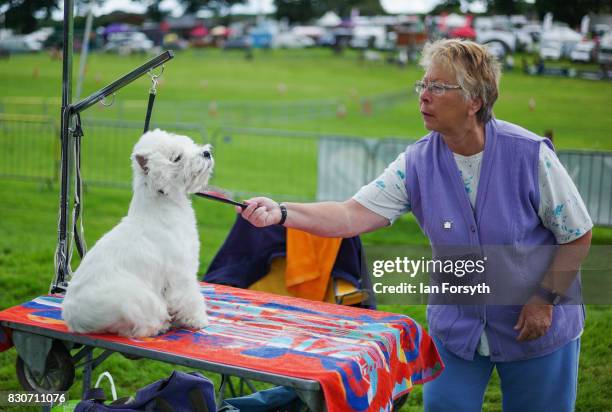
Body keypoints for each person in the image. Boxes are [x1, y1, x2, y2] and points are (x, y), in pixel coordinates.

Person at [236, 39, 592, 411]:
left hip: (537, 323)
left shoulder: (530, 155)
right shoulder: (418, 161)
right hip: (458, 328)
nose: (424, 95)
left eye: (438, 87)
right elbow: (349, 215)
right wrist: (281, 211)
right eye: (423, 84)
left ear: (475, 101)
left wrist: (544, 300)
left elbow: (577, 234)